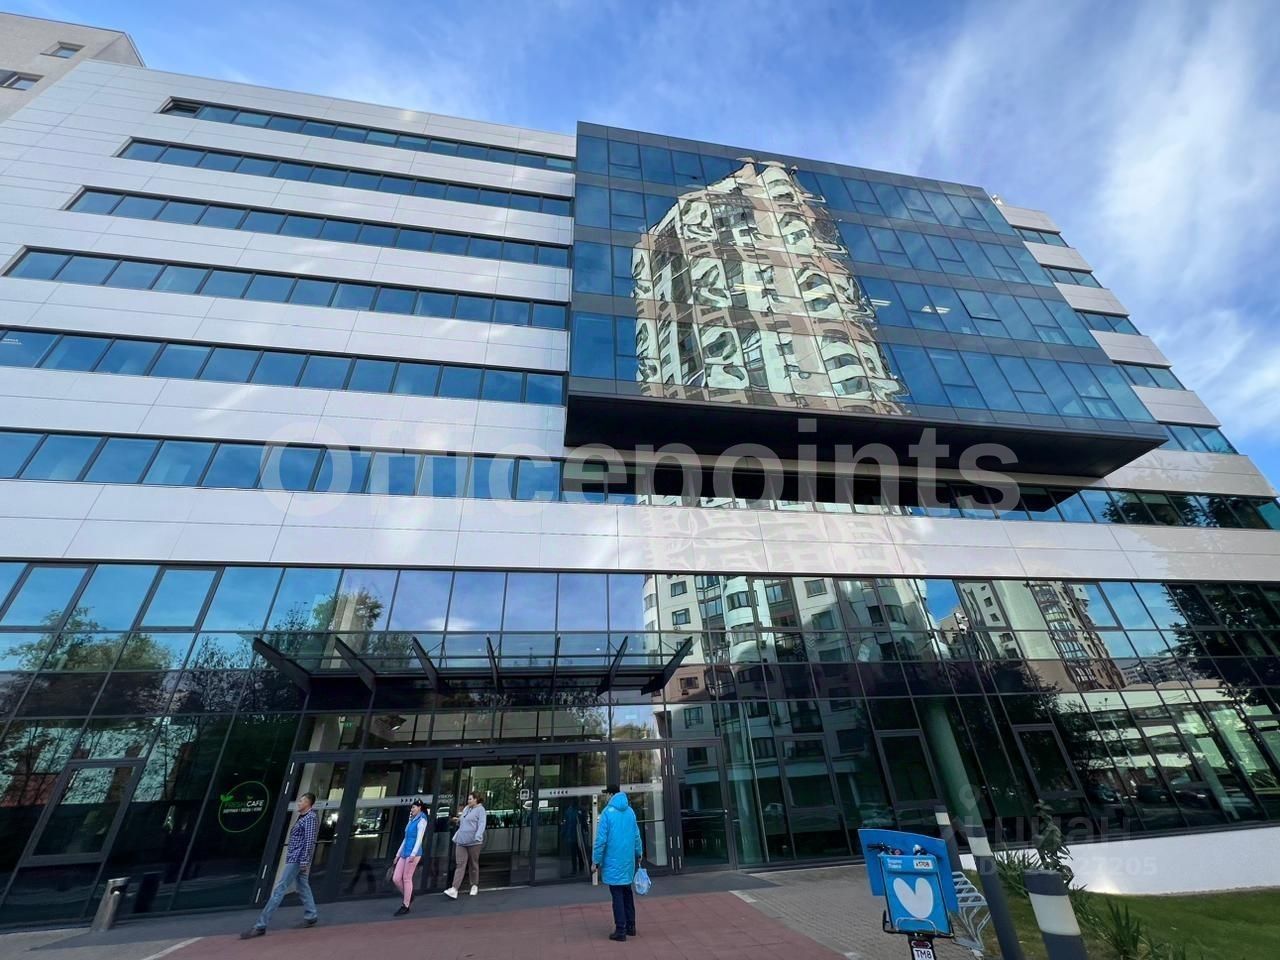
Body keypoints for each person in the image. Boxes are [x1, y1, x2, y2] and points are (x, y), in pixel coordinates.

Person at [240, 792, 319, 938]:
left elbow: (309, 841)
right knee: (303, 886)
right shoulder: (303, 817)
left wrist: (304, 861)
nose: (299, 803)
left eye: (302, 801)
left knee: (279, 889)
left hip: (297, 859)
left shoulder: (310, 818)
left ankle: (260, 925)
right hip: (295, 857)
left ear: (308, 803)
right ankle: (311, 915)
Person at [592, 785, 643, 942]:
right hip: (628, 860)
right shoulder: (630, 812)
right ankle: (631, 926)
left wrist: (595, 861)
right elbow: (636, 835)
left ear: (611, 794)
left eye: (606, 794)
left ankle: (620, 930)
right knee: (627, 892)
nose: (605, 797)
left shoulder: (607, 813)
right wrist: (639, 853)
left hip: (613, 861)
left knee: (617, 895)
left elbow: (601, 841)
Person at [443, 791, 486, 899]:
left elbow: (482, 824)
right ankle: (454, 889)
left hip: (474, 842)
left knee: (473, 864)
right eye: (468, 799)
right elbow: (464, 820)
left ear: (476, 799)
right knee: (460, 864)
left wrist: (478, 835)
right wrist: (457, 820)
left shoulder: (480, 810)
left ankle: (474, 885)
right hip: (461, 841)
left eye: (470, 799)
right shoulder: (466, 808)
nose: (468, 801)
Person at [391, 799, 428, 915]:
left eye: (414, 807)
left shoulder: (422, 820)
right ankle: (408, 895)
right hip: (404, 852)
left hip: (413, 853)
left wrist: (413, 853)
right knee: (396, 878)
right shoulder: (411, 819)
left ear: (419, 808)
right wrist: (398, 854)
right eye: (411, 807)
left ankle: (405, 905)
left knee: (407, 878)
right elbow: (405, 838)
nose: (412, 809)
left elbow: (419, 839)